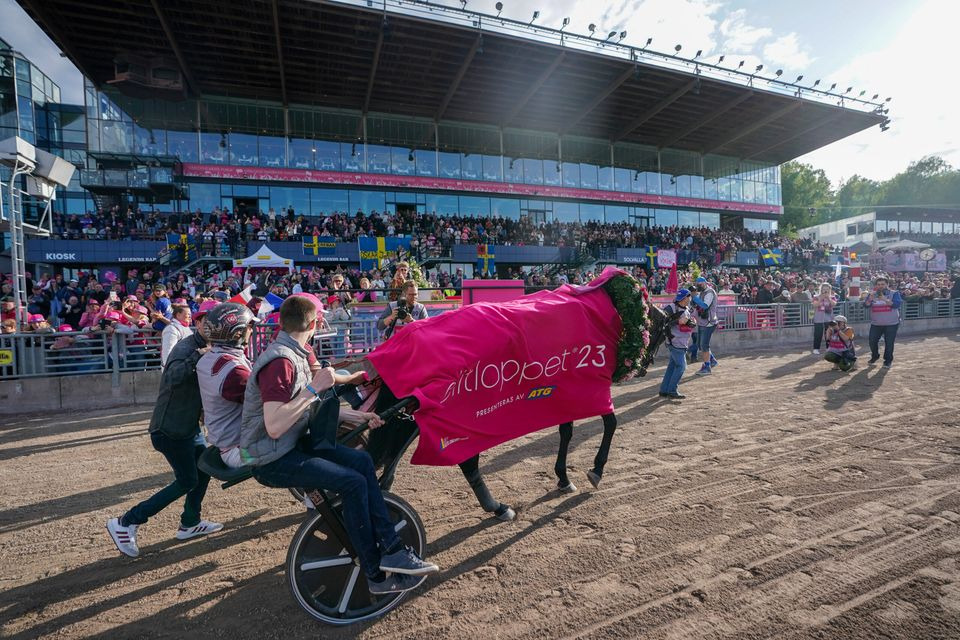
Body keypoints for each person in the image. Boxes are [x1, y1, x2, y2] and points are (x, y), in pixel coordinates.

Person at [238, 295, 439, 595]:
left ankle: (393, 548)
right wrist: (313, 387)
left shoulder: (296, 352)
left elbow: (309, 408)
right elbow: (276, 425)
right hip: (272, 458)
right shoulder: (281, 361)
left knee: (362, 463)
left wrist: (359, 414)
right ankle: (374, 574)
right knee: (353, 483)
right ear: (315, 323)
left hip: (288, 445)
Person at [106, 300, 221, 558]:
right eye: (207, 321)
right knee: (188, 479)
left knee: (203, 469)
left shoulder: (206, 347)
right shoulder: (187, 347)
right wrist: (197, 356)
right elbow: (173, 375)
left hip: (187, 427)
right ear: (198, 323)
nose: (213, 327)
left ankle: (190, 522)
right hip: (170, 429)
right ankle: (126, 522)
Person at [196, 302, 255, 468]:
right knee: (296, 443)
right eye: (248, 327)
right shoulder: (233, 372)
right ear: (237, 333)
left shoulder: (212, 356)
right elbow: (267, 400)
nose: (251, 330)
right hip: (240, 450)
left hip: (230, 443)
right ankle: (313, 491)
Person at [658, 289, 696, 400]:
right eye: (682, 298)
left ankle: (664, 390)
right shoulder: (670, 308)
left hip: (681, 342)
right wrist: (678, 322)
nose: (685, 300)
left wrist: (691, 322)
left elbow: (687, 322)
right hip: (674, 342)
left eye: (685, 298)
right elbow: (663, 324)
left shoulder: (687, 308)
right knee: (681, 367)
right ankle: (672, 390)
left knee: (672, 367)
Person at [862, 276, 902, 367]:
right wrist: (870, 298)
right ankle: (875, 356)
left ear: (887, 284)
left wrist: (884, 299)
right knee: (872, 341)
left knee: (889, 343)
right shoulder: (872, 294)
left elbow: (896, 304)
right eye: (879, 284)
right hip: (876, 323)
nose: (881, 286)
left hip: (891, 323)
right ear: (876, 285)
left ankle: (887, 360)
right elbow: (866, 305)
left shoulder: (894, 293)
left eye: (883, 284)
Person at [691, 277, 719, 375]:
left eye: (699, 285)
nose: (698, 286)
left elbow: (705, 305)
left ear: (704, 283)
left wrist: (694, 297)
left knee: (704, 345)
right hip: (703, 322)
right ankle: (712, 360)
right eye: (697, 285)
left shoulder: (710, 292)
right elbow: (697, 306)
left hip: (709, 322)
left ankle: (707, 367)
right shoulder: (703, 292)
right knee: (700, 344)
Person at [811, 283, 837, 355]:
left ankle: (829, 347)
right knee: (818, 334)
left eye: (827, 289)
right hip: (818, 318)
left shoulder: (832, 297)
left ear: (830, 290)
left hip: (829, 319)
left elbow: (834, 304)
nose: (825, 291)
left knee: (828, 334)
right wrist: (821, 299)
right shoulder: (816, 297)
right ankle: (816, 348)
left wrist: (828, 298)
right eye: (824, 289)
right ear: (821, 289)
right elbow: (815, 305)